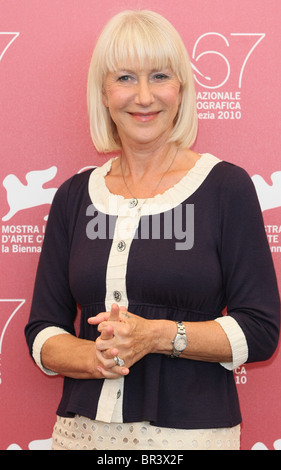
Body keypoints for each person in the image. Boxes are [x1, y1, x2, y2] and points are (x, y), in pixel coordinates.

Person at [25, 10, 280, 451]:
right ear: (103, 93)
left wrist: (158, 336)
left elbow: (260, 330)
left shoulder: (226, 188)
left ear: (181, 89)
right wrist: (93, 356)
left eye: (159, 76)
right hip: (81, 435)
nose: (143, 97)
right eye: (125, 78)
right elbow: (43, 330)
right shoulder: (74, 196)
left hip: (193, 438)